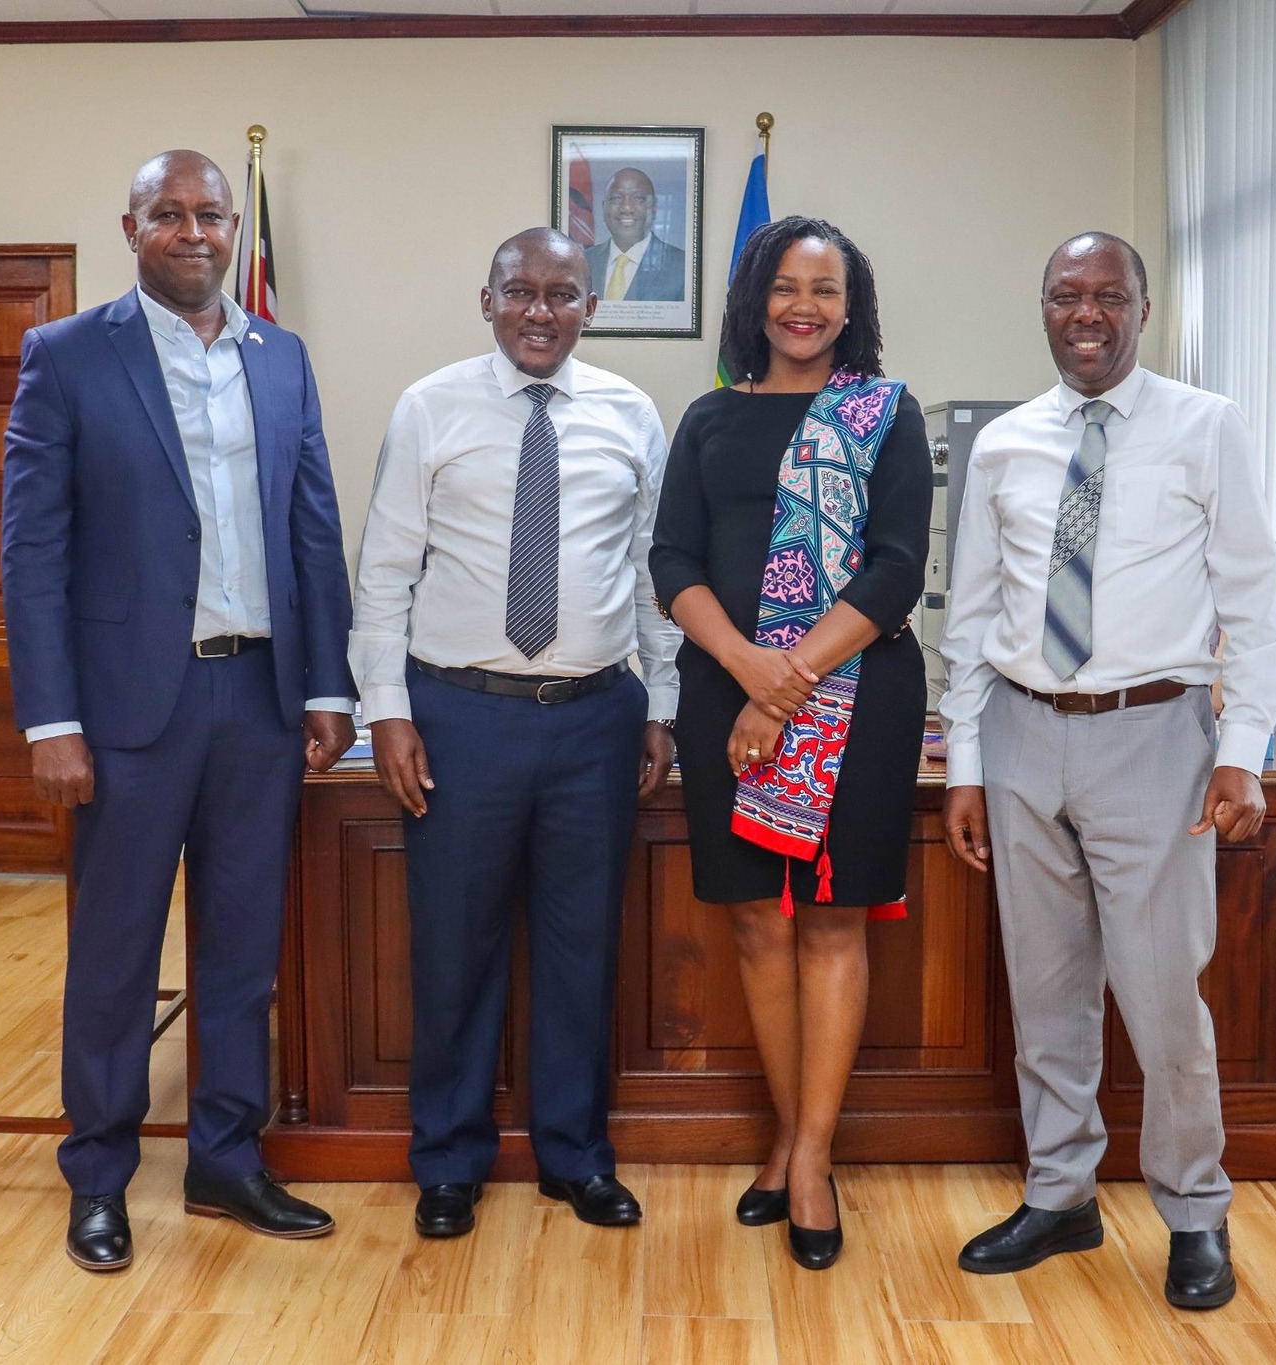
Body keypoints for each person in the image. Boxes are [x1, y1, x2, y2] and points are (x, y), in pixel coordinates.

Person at [1, 150, 356, 1273]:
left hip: (256, 697)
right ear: (131, 227)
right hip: (125, 711)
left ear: (231, 229)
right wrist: (49, 719)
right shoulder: (66, 357)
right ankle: (98, 1175)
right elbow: (33, 550)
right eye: (170, 214)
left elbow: (312, 527)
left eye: (209, 214)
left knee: (242, 953)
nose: (193, 231)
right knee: (113, 953)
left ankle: (224, 1158)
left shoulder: (280, 356)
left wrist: (327, 683)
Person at [937, 232, 1276, 1310]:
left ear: (1140, 307)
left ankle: (1193, 1211)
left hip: (1154, 733)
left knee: (1160, 998)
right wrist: (961, 761)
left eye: (1105, 296)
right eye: (1063, 295)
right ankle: (1061, 1195)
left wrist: (1239, 754)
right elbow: (971, 616)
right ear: (1040, 308)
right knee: (1043, 993)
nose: (1083, 314)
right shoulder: (1002, 444)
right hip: (1020, 732)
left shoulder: (1203, 425)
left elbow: (1255, 607)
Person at [350, 227, 680, 1241]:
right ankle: (447, 1161)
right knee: (453, 950)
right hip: (459, 717)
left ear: (589, 307)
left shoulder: (630, 413)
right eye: (521, 292)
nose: (541, 311)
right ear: (485, 300)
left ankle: (575, 1158)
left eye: (563, 294)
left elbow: (653, 578)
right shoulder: (430, 407)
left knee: (582, 951)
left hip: (593, 718)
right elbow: (384, 572)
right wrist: (387, 710)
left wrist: (660, 704)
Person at [650, 216, 928, 1272]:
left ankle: (806, 1159)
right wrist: (749, 673)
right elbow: (671, 557)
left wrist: (793, 677)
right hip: (726, 695)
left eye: (824, 288)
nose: (801, 306)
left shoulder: (881, 414)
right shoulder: (709, 418)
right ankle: (789, 1136)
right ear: (754, 300)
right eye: (784, 286)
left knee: (829, 922)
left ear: (849, 306)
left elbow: (896, 567)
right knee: (754, 930)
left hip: (855, 697)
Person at [583, 168, 689, 303]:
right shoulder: (582, 263)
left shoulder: (682, 267)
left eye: (639, 199)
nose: (627, 208)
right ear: (604, 208)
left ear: (654, 208)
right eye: (616, 198)